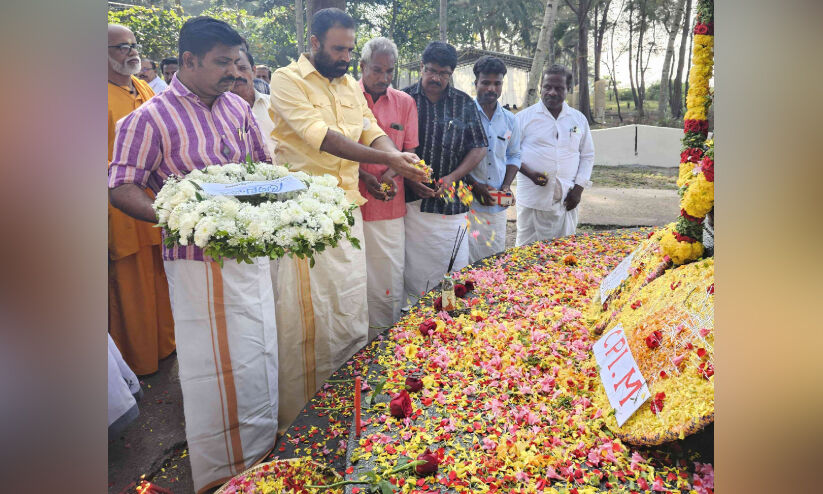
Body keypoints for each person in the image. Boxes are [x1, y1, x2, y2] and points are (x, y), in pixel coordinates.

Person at [108, 17, 278, 493]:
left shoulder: (236, 109)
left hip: (253, 257)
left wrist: (284, 202)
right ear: (188, 61)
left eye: (235, 61)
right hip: (195, 265)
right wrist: (175, 219)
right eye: (222, 62)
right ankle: (222, 473)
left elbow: (263, 168)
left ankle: (264, 456)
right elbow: (120, 184)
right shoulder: (148, 118)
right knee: (215, 368)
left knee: (259, 352)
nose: (234, 71)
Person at [268, 8, 427, 430]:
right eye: (338, 49)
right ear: (315, 43)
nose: (344, 57)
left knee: (349, 310)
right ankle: (300, 420)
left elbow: (369, 128)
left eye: (349, 49)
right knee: (309, 319)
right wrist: (391, 157)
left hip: (347, 212)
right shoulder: (287, 80)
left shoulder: (346, 86)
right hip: (304, 219)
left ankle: (344, 408)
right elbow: (323, 138)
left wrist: (391, 155)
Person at [107, 24, 175, 377]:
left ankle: (166, 349)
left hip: (155, 201)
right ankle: (139, 364)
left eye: (133, 45)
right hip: (118, 206)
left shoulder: (145, 87)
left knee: (160, 278)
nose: (131, 52)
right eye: (121, 47)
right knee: (131, 287)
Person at [401, 41, 488, 305]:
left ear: (451, 74)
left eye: (444, 73)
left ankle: (449, 316)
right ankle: (415, 317)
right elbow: (391, 147)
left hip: (452, 206)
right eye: (431, 71)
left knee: (453, 266)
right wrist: (410, 177)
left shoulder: (463, 103)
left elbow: (479, 147)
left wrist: (452, 177)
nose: (436, 78)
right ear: (421, 68)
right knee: (414, 270)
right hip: (412, 204)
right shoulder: (404, 99)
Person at [356, 37, 419, 337]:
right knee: (355, 279)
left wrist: (389, 176)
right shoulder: (346, 98)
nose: (383, 78)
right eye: (377, 70)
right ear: (362, 66)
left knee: (389, 278)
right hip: (352, 205)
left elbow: (410, 151)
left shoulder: (405, 102)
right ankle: (357, 345)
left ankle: (385, 343)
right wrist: (364, 176)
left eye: (389, 71)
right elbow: (333, 148)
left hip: (390, 208)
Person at [515, 64, 594, 245]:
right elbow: (510, 154)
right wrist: (530, 173)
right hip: (532, 199)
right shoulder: (523, 118)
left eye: (559, 88)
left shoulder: (578, 119)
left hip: (567, 199)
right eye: (547, 87)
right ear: (540, 88)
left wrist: (579, 189)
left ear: (568, 90)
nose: (552, 92)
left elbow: (587, 155)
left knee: (563, 251)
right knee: (526, 253)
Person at [467, 56, 521, 263]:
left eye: (497, 83)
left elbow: (514, 155)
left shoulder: (510, 120)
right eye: (486, 83)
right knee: (465, 262)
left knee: (493, 260)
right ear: (476, 84)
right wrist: (475, 185)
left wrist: (506, 186)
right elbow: (454, 158)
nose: (492, 88)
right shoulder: (465, 114)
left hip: (496, 206)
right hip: (467, 205)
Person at [231, 46, 276, 155]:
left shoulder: (274, 104)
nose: (237, 74)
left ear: (253, 71)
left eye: (242, 68)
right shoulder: (219, 113)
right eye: (231, 70)